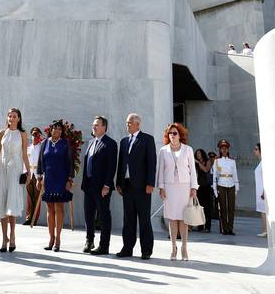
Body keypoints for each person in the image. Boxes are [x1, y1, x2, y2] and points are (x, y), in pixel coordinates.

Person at [116, 112, 156, 259]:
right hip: (126, 185)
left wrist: (150, 183)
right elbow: (121, 164)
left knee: (144, 219)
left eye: (129, 123)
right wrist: (118, 183)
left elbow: (152, 163)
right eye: (127, 123)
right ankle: (127, 248)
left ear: (137, 124)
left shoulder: (147, 140)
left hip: (142, 186)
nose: (127, 125)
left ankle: (146, 250)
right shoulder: (124, 141)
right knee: (128, 219)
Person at [0, 108, 30, 252]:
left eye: (14, 116)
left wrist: (29, 171)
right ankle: (3, 238)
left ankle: (12, 235)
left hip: (15, 171)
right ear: (7, 118)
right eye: (10, 116)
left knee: (11, 204)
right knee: (2, 204)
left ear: (19, 118)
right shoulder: (2, 133)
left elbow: (25, 154)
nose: (12, 118)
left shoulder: (23, 134)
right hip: (3, 170)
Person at [157, 123, 197, 261]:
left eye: (175, 133)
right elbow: (160, 170)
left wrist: (194, 187)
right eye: (170, 133)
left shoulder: (188, 150)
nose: (172, 135)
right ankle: (173, 247)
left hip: (184, 186)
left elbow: (192, 169)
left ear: (180, 135)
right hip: (169, 187)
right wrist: (161, 187)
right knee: (172, 218)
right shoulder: (163, 150)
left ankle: (184, 247)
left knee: (184, 218)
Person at [81, 115, 117, 256]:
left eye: (97, 125)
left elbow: (111, 166)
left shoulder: (110, 143)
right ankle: (89, 241)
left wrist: (107, 185)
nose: (93, 127)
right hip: (89, 185)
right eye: (93, 124)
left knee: (103, 215)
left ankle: (104, 245)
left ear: (104, 127)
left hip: (102, 187)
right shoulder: (90, 142)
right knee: (88, 215)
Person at [37, 120, 74, 252]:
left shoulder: (65, 144)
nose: (57, 131)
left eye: (59, 129)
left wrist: (69, 180)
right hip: (49, 180)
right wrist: (39, 177)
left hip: (61, 179)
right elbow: (41, 161)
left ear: (62, 131)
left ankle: (58, 239)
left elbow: (70, 162)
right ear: (50, 130)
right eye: (54, 128)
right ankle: (51, 238)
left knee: (59, 208)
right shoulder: (45, 143)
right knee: (49, 209)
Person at [212, 139, 239, 235]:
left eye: (225, 148)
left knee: (231, 208)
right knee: (222, 207)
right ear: (220, 150)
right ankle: (224, 228)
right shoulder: (217, 161)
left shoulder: (232, 161)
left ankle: (230, 228)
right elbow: (215, 175)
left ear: (228, 150)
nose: (224, 150)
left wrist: (237, 187)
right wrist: (215, 189)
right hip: (221, 184)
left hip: (231, 184)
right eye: (222, 148)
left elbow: (235, 174)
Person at [25, 126, 43, 226]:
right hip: (29, 173)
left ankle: (34, 218)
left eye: (37, 134)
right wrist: (25, 173)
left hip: (38, 174)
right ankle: (28, 217)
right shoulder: (28, 148)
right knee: (29, 197)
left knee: (37, 197)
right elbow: (25, 161)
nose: (35, 136)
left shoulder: (42, 148)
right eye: (33, 134)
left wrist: (41, 176)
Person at [193, 148, 213, 233]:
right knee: (198, 208)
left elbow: (206, 169)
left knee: (207, 208)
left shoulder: (207, 161)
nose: (198, 155)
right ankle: (200, 227)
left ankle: (207, 227)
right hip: (198, 187)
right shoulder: (194, 163)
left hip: (206, 187)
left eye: (199, 153)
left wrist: (198, 163)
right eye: (197, 154)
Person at [253, 142, 266, 236]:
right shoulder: (261, 163)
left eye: (256, 149)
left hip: (262, 192)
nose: (254, 151)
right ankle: (265, 230)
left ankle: (266, 230)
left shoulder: (264, 163)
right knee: (262, 211)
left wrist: (264, 191)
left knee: (264, 211)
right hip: (259, 190)